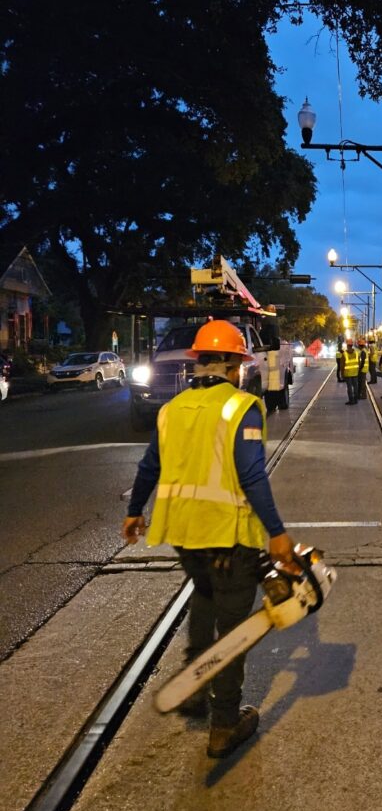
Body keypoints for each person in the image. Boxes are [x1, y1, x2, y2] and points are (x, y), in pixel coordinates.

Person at [121, 320, 297, 760]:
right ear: (234, 364)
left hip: (183, 533)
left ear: (199, 362)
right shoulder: (242, 407)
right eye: (240, 361)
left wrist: (133, 512)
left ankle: (196, 688)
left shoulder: (172, 409)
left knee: (203, 595)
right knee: (233, 630)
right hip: (228, 536)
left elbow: (149, 467)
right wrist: (277, 533)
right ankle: (224, 723)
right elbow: (252, 475)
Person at [341, 336, 360, 404]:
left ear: (347, 345)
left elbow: (342, 366)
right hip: (355, 373)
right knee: (355, 386)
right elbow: (359, 363)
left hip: (348, 374)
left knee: (349, 387)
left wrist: (342, 374)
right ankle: (356, 399)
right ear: (352, 345)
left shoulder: (344, 354)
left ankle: (351, 400)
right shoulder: (356, 353)